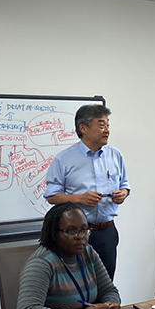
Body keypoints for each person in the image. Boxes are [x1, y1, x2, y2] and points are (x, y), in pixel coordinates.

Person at [45, 104, 130, 279]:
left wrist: (123, 193)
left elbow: (125, 183)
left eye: (108, 124)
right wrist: (79, 198)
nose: (106, 130)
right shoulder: (64, 159)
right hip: (75, 234)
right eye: (101, 125)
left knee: (106, 284)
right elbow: (52, 196)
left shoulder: (114, 154)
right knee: (76, 285)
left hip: (107, 231)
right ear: (83, 128)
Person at [12, 203, 121, 309]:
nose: (80, 236)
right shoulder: (41, 263)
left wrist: (110, 306)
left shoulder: (88, 252)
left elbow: (109, 290)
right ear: (54, 233)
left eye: (84, 230)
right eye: (71, 231)